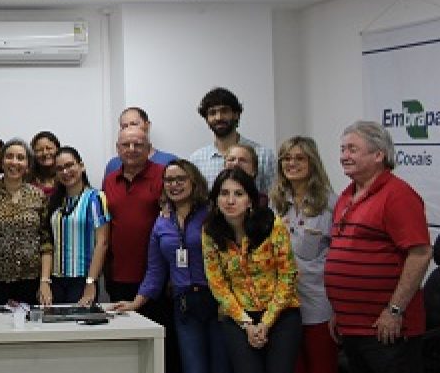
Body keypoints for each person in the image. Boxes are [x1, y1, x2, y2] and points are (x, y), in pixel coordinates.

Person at [325, 121, 432, 373]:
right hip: (352, 327)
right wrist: (341, 312)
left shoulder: (398, 195)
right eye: (342, 149)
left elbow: (420, 254)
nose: (344, 156)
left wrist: (394, 310)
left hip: (387, 328)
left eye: (352, 149)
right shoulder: (346, 196)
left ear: (378, 155)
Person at [112, 160, 227, 373]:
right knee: (193, 368)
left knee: (222, 367)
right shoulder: (162, 222)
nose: (174, 185)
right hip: (184, 305)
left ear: (194, 181)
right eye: (169, 180)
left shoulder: (212, 214)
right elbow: (155, 270)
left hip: (218, 302)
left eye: (180, 179)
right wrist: (135, 303)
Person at [203, 169, 301, 373]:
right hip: (238, 315)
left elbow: (288, 275)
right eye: (224, 193)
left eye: (238, 194)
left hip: (280, 313)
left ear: (250, 200)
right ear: (216, 199)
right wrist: (246, 323)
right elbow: (217, 283)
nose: (230, 201)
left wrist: (265, 322)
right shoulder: (210, 231)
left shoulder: (272, 225)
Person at [103, 126, 179, 373]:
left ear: (148, 148)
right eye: (126, 144)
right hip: (118, 276)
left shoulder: (163, 176)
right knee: (127, 348)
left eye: (138, 144)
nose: (132, 149)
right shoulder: (109, 180)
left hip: (158, 279)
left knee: (162, 347)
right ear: (118, 148)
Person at [269, 136, 337, 373]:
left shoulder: (330, 203)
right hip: (282, 304)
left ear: (312, 162)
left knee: (321, 366)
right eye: (286, 158)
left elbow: (338, 255)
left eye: (299, 158)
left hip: (317, 303)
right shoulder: (276, 202)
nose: (292, 163)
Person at [0, 138, 46, 306]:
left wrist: (44, 282)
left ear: (28, 165)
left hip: (31, 280)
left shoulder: (38, 196)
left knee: (30, 322)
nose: (14, 162)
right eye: (9, 156)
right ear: (1, 162)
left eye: (20, 158)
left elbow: (46, 242)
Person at [39, 146, 110, 307]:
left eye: (69, 165)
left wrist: (91, 282)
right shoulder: (55, 202)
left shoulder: (96, 198)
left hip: (82, 280)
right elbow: (48, 243)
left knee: (78, 322)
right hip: (55, 280)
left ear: (81, 166)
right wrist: (45, 281)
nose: (65, 172)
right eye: (59, 169)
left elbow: (102, 242)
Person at [189, 87, 276, 195]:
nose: (218, 117)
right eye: (212, 113)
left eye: (224, 111)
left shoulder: (263, 155)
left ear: (236, 114)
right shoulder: (196, 160)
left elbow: (274, 198)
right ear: (206, 119)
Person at [104, 107, 178, 175]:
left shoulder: (170, 162)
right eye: (124, 126)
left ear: (147, 126)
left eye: (134, 124)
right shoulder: (113, 165)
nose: (130, 129)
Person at [29, 131, 61, 196]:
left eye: (49, 148)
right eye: (39, 150)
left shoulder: (66, 177)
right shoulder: (27, 179)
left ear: (58, 149)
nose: (45, 153)